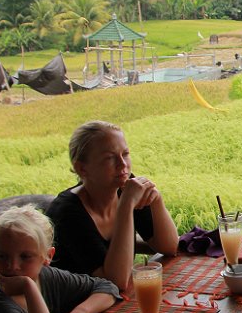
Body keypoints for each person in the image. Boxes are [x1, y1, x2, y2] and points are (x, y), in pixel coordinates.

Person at [46, 120, 179, 292]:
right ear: (82, 169)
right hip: (72, 310)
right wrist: (126, 206)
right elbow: (115, 281)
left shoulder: (126, 187)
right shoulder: (67, 213)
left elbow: (169, 247)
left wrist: (156, 199)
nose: (122, 165)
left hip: (106, 302)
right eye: (110, 158)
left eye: (125, 154)